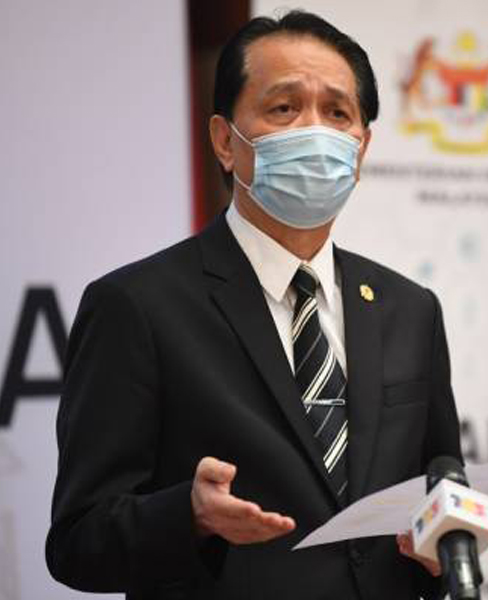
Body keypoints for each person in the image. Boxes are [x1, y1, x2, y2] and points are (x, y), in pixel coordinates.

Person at [45, 12, 461, 600]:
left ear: (361, 149)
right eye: (284, 108)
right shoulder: (136, 306)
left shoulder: (410, 309)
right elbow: (78, 542)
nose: (314, 131)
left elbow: (441, 490)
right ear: (225, 141)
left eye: (337, 113)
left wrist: (443, 550)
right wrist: (188, 515)